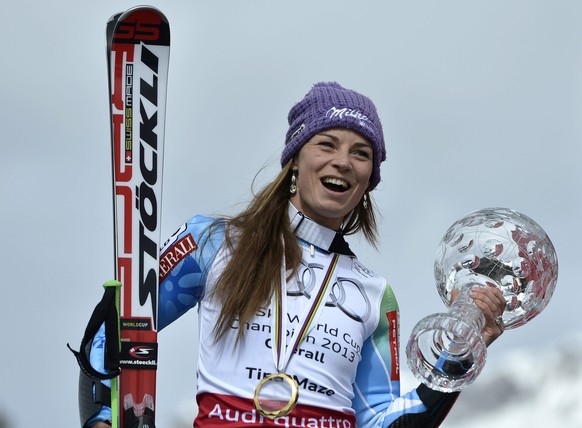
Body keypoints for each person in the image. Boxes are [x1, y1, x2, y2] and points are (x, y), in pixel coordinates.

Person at [82, 82, 506, 427]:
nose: (343, 162)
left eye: (361, 154)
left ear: (368, 181)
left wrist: (462, 354)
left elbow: (382, 423)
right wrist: (101, 419)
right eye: (327, 144)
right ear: (295, 161)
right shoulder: (213, 242)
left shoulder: (375, 295)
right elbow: (112, 332)